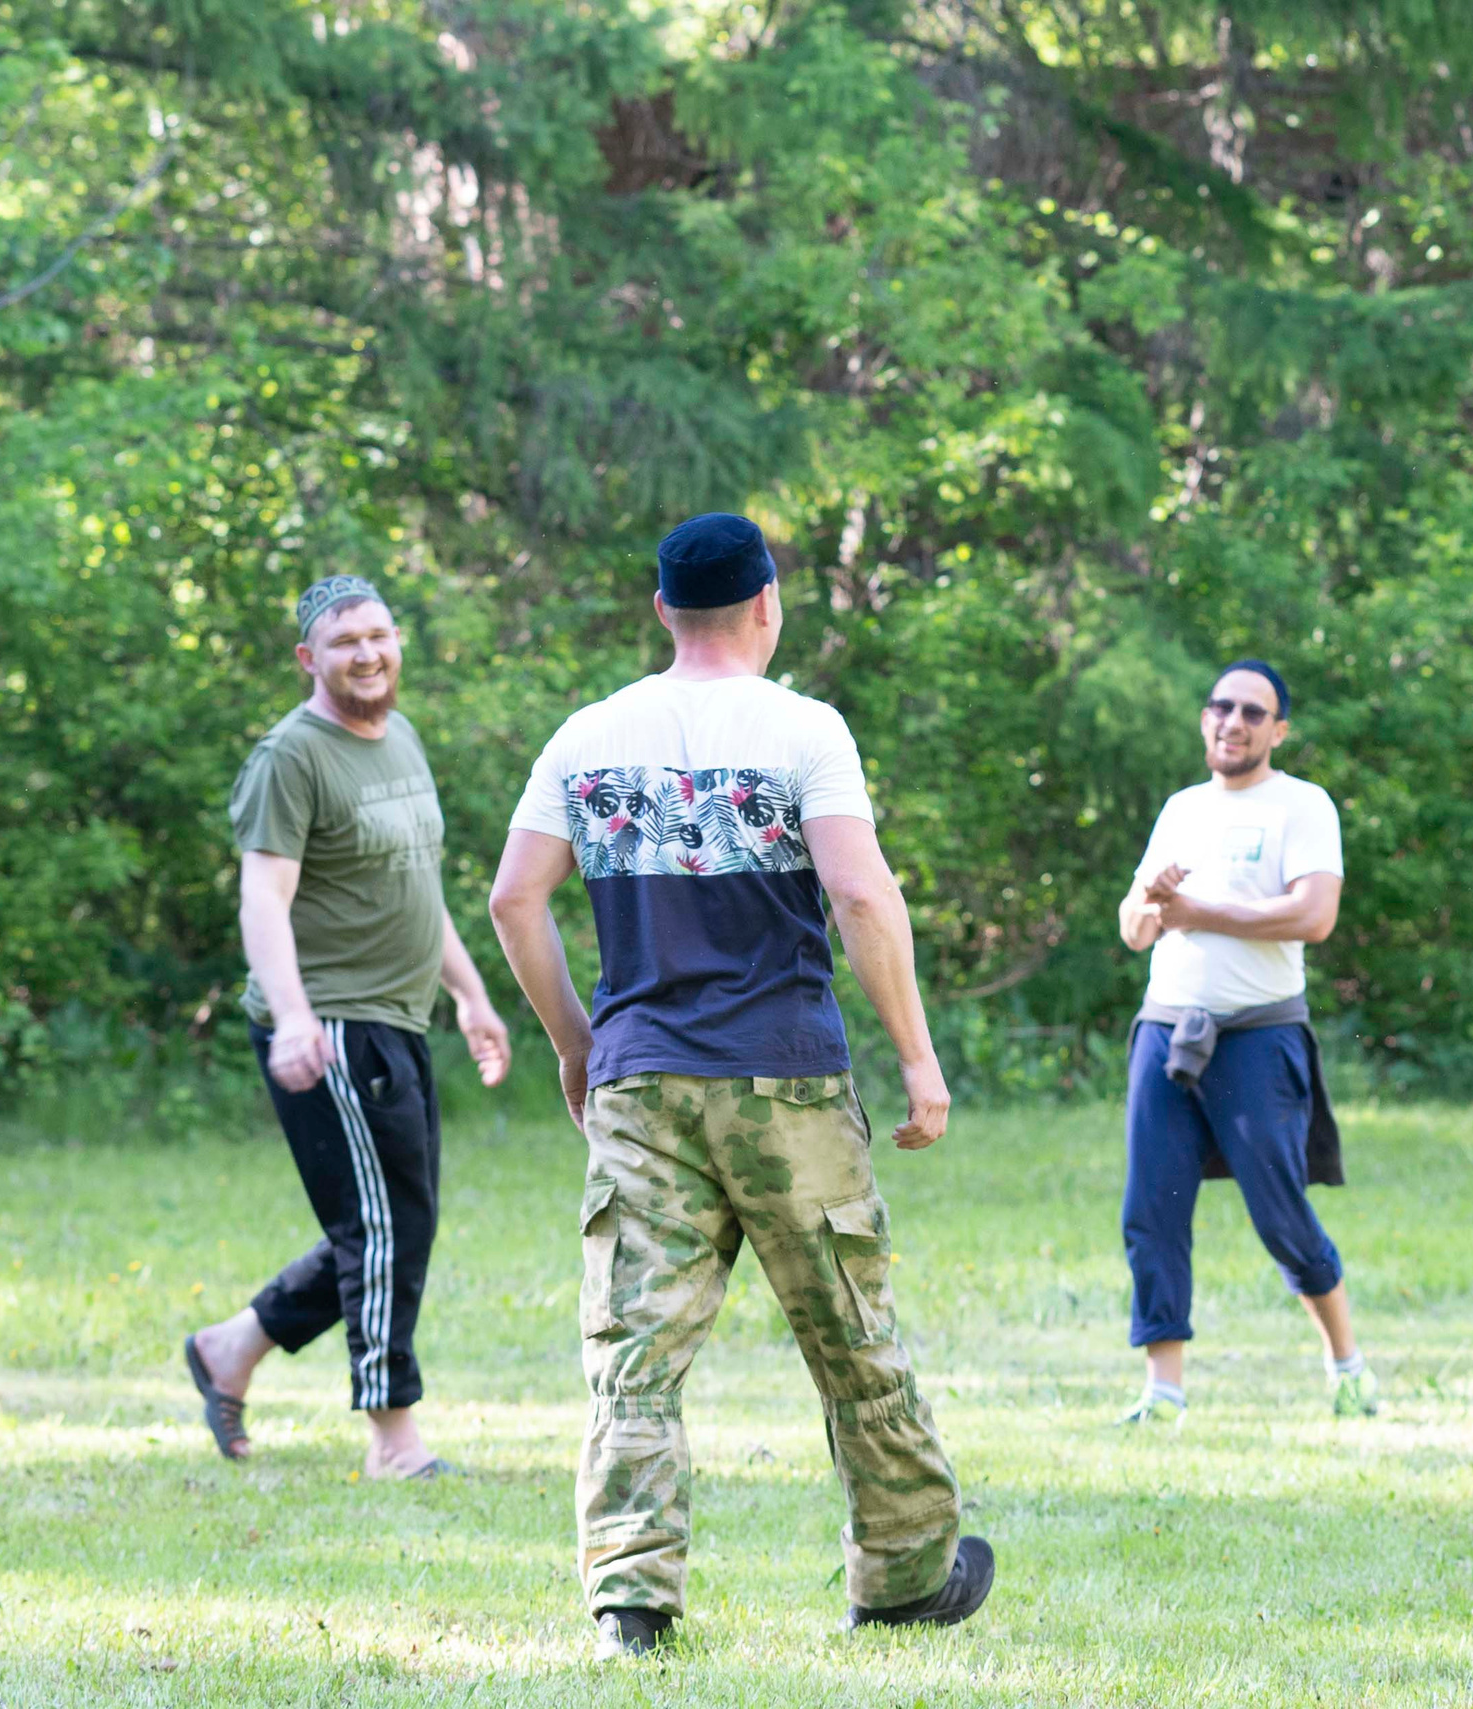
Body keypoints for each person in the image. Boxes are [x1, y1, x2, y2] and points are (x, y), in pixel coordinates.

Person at [485, 513, 991, 1659]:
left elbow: (515, 897)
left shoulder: (586, 737)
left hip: (640, 1080)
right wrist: (917, 1056)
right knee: (850, 1334)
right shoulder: (803, 729)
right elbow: (859, 895)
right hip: (785, 1081)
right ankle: (907, 1575)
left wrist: (575, 1040)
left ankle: (631, 1601)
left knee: (635, 1350)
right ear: (769, 601)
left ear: (662, 609)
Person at [184, 575, 512, 1479]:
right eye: (344, 642)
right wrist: (294, 1018)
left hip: (398, 1018)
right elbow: (263, 897)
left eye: (378, 635)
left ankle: (231, 1346)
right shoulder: (290, 758)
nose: (367, 654)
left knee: (397, 1220)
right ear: (308, 658)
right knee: (382, 1225)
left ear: (397, 641)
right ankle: (392, 1437)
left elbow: (416, 889)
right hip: (329, 1023)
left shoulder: (400, 737)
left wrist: (470, 995)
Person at [1115, 660, 1371, 1426]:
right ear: (1205, 718)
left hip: (1260, 1035)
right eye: (1221, 706)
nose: (1233, 721)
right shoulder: (1182, 808)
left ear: (1278, 730)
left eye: (1253, 712)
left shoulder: (1302, 804)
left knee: (1280, 1213)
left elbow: (1315, 914)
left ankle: (1347, 1364)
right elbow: (1135, 930)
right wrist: (1154, 900)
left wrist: (1198, 910)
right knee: (1151, 1209)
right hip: (1166, 1029)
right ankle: (1164, 1391)